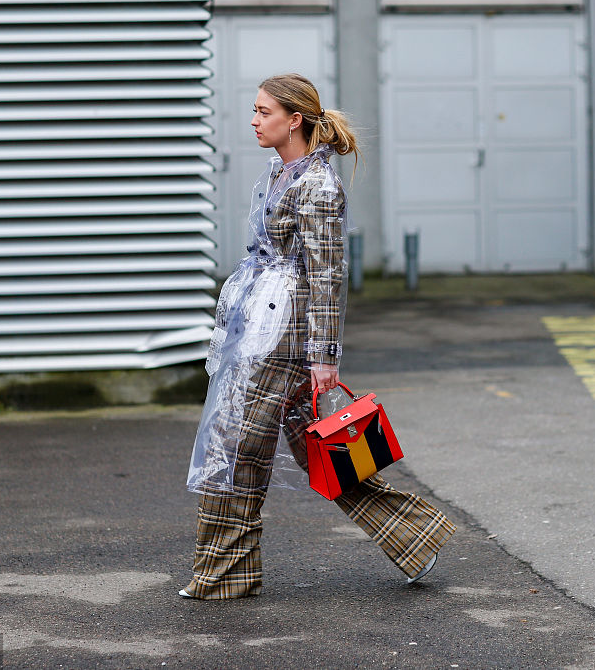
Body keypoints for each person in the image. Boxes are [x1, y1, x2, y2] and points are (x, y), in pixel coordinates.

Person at [180, 73, 456, 599]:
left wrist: (324, 357)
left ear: (295, 119)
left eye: (264, 112)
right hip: (259, 326)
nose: (255, 120)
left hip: (286, 337)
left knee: (238, 448)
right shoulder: (281, 173)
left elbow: (328, 275)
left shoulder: (319, 186)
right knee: (318, 453)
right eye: (256, 111)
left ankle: (223, 577)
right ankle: (415, 538)